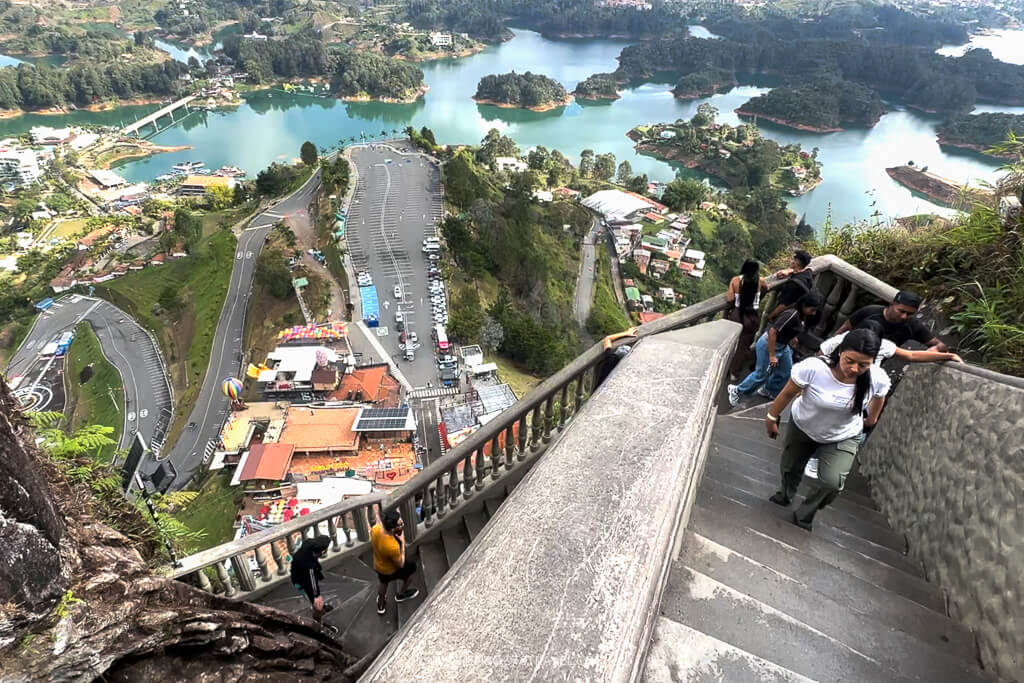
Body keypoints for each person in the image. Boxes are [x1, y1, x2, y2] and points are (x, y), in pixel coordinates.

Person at [763, 329, 891, 530]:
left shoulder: (877, 377)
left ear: (872, 362)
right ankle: (785, 494)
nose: (855, 368)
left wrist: (872, 418)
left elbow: (880, 396)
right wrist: (772, 417)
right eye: (850, 361)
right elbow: (788, 393)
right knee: (790, 467)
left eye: (863, 365)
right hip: (804, 426)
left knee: (832, 483)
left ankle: (804, 515)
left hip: (843, 434)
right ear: (840, 352)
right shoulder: (814, 368)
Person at [728, 292, 823, 406]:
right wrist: (772, 355)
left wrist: (792, 338)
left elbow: (788, 329)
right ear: (804, 305)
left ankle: (769, 389)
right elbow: (773, 331)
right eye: (812, 309)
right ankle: (737, 390)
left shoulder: (802, 316)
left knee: (786, 371)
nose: (814, 313)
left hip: (783, 345)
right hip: (769, 344)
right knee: (761, 375)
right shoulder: (791, 315)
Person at [835, 290, 948, 352]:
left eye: (910, 314)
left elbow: (940, 345)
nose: (904, 316)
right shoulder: (869, 311)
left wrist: (935, 349)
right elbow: (842, 330)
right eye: (901, 311)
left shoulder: (912, 325)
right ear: (892, 304)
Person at [820, 319, 963, 367]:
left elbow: (911, 355)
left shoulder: (882, 346)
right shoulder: (839, 341)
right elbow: (819, 359)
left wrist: (949, 356)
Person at [725, 259, 768, 378]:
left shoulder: (736, 280)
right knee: (743, 346)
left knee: (731, 344)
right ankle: (734, 373)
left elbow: (730, 299)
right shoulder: (760, 281)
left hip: (738, 315)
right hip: (753, 317)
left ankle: (725, 369)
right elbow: (765, 289)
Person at [371, 509, 419, 614]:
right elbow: (400, 564)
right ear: (393, 528)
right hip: (390, 569)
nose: (401, 524)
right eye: (399, 524)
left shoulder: (375, 529)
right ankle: (401, 594)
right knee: (411, 570)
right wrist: (402, 541)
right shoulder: (392, 546)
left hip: (379, 564)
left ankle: (381, 604)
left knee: (383, 583)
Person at [290, 535, 339, 634]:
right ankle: (317, 625)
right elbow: (313, 585)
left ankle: (317, 609)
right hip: (302, 584)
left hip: (297, 575)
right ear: (321, 551)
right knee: (317, 606)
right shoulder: (310, 567)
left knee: (316, 601)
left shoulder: (308, 544)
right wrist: (316, 597)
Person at [767, 250, 814, 320]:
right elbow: (807, 269)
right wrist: (789, 271)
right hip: (797, 315)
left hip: (784, 316)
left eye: (793, 259)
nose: (791, 261)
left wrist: (770, 316)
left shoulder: (793, 284)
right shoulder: (808, 274)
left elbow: (783, 305)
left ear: (796, 262)